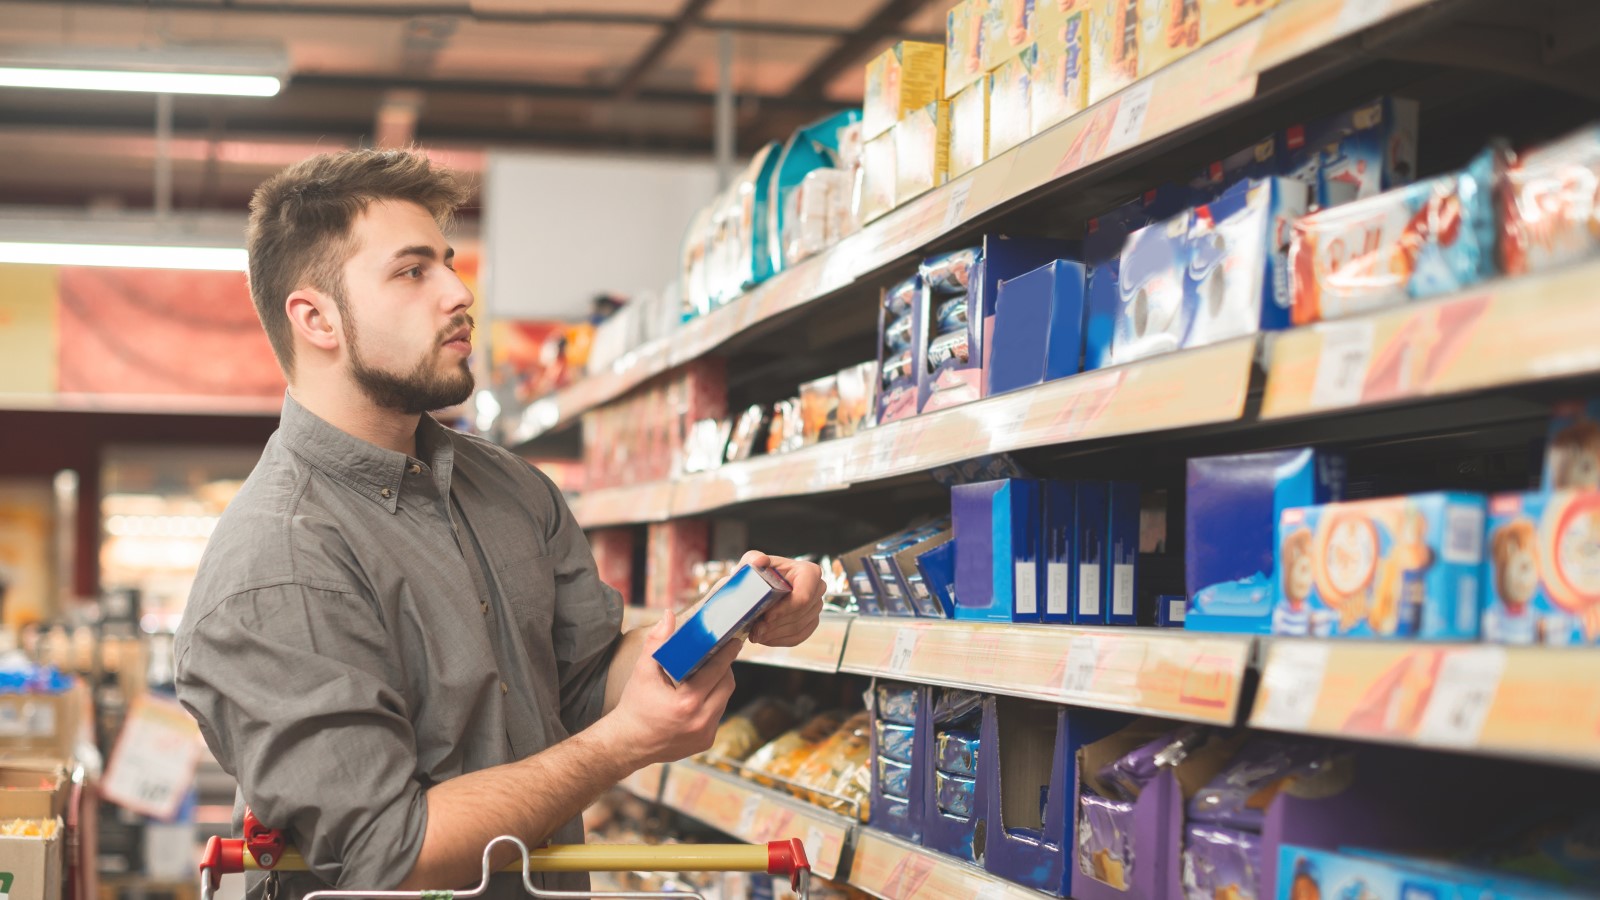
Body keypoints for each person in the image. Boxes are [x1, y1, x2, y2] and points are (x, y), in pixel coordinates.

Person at [173, 149, 824, 900]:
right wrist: (622, 746)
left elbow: (581, 687)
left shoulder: (512, 489)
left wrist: (729, 620)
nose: (458, 291)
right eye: (413, 271)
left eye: (449, 263)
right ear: (316, 318)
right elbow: (389, 854)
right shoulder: (277, 561)